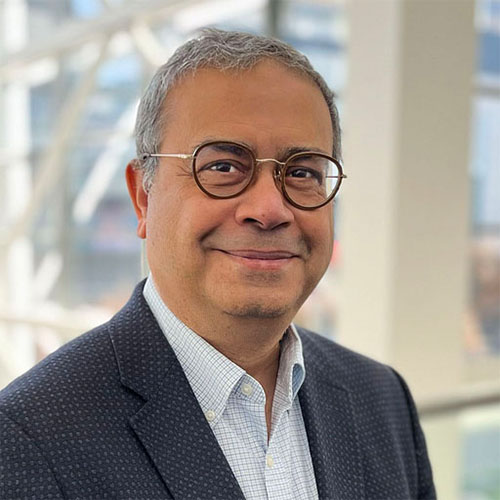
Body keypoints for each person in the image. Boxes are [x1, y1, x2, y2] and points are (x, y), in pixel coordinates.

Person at [0, 29, 436, 499]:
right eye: (224, 167)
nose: (270, 209)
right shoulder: (28, 438)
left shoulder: (381, 400)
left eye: (302, 172)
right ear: (143, 196)